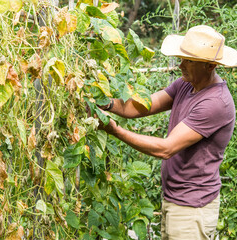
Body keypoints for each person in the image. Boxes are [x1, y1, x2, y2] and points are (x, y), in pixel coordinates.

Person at [96, 25, 236, 239]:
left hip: (192, 209)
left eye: (188, 60)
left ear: (210, 66)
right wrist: (104, 104)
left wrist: (113, 130)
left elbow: (166, 148)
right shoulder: (186, 85)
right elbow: (140, 106)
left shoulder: (215, 103)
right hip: (175, 200)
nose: (180, 65)